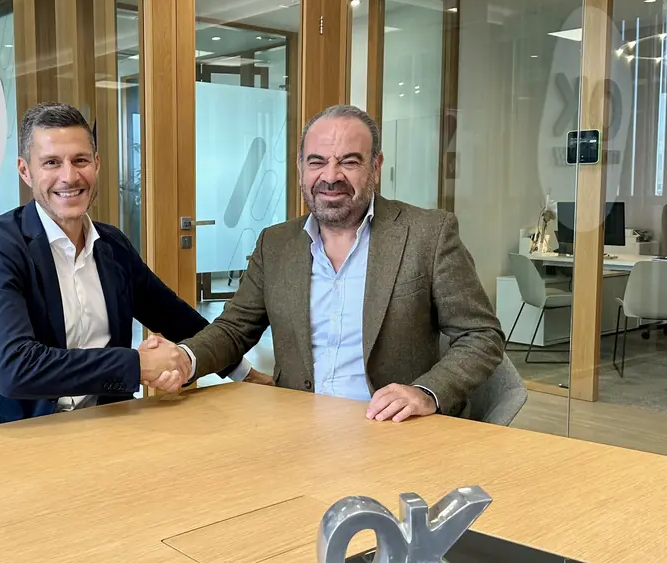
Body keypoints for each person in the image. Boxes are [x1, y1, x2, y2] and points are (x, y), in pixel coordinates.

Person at [0, 103, 260, 434]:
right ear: (25, 171)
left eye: (80, 160)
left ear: (97, 164)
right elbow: (15, 368)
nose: (70, 176)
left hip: (100, 427)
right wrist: (138, 365)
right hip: (5, 433)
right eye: (51, 163)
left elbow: (176, 317)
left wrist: (242, 372)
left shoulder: (111, 246)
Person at [178, 104, 504, 422]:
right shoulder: (275, 244)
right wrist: (185, 358)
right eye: (316, 162)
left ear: (375, 167)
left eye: (349, 162)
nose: (330, 176)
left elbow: (481, 336)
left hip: (394, 430)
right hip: (296, 428)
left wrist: (426, 392)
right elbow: (233, 330)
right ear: (301, 168)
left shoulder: (428, 235)